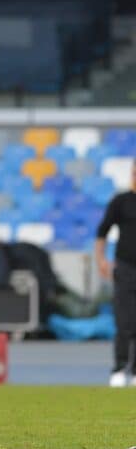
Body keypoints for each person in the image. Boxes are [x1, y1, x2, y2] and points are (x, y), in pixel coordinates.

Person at [96, 158, 136, 387]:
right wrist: (101, 259)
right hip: (125, 268)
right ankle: (120, 368)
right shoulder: (121, 201)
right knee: (124, 321)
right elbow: (102, 232)